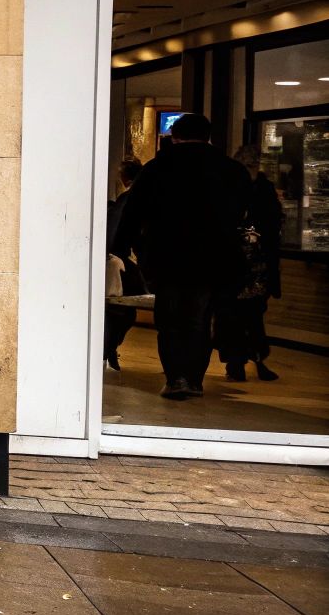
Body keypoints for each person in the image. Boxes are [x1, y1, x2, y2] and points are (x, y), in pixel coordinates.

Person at [109, 113, 250, 400]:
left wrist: (120, 247)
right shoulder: (231, 170)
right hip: (213, 258)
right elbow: (243, 213)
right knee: (199, 317)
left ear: (174, 135)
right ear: (208, 136)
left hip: (166, 256)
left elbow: (133, 212)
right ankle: (194, 378)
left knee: (170, 318)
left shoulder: (157, 168)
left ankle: (176, 377)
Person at [216, 145, 283, 382]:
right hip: (244, 263)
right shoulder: (250, 188)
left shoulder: (239, 187)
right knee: (241, 315)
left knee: (247, 314)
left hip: (249, 264)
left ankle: (246, 361)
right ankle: (243, 362)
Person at [102, 157, 146, 371]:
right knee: (122, 311)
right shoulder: (134, 199)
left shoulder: (128, 199)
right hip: (122, 261)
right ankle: (109, 349)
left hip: (118, 261)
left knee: (119, 310)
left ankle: (108, 349)